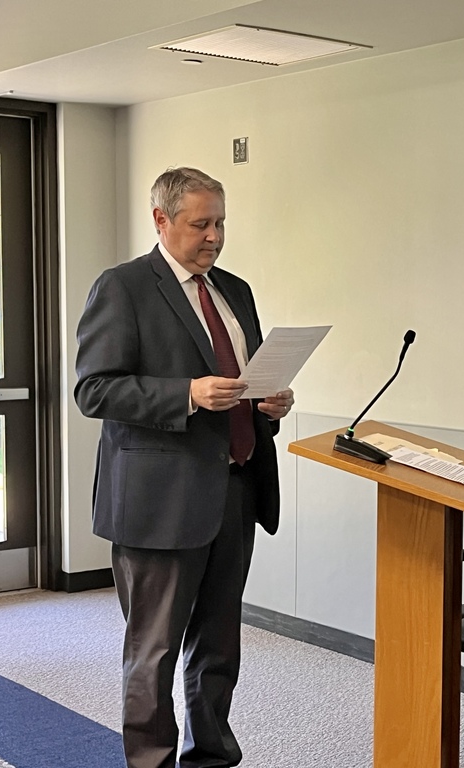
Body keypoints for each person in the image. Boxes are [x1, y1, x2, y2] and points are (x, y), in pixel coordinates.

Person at [74, 167, 294, 768]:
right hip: (159, 501)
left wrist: (269, 403)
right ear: (161, 220)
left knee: (219, 646)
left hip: (235, 490)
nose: (215, 237)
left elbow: (244, 381)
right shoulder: (123, 287)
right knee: (155, 651)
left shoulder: (235, 291)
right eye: (201, 224)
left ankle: (212, 756)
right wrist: (187, 394)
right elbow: (94, 389)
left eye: (220, 223)